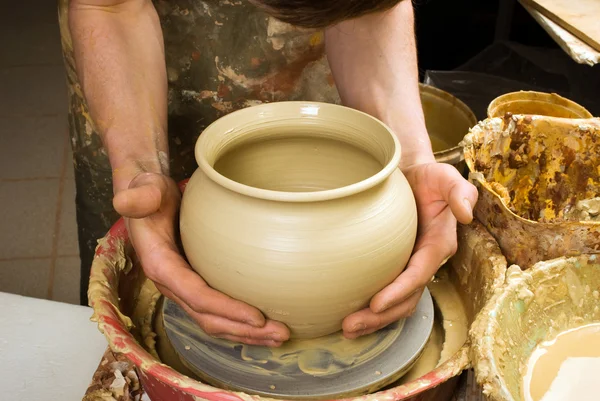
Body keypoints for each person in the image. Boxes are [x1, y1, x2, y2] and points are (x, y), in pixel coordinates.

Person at [62, 0, 477, 347]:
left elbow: (365, 10)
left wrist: (405, 161)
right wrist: (139, 167)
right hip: (131, 72)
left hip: (312, 89)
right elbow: (111, 6)